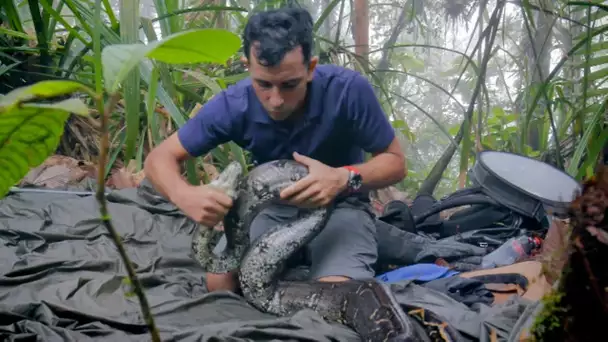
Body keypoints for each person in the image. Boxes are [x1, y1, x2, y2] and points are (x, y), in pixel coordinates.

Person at [143, 6, 407, 292]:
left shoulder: (347, 91)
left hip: (342, 206)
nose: (275, 100)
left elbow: (395, 162)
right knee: (219, 282)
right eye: (263, 84)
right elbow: (159, 158)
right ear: (248, 66)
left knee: (335, 295)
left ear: (311, 67)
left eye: (289, 85)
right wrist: (184, 195)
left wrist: (342, 178)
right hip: (273, 208)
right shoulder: (234, 105)